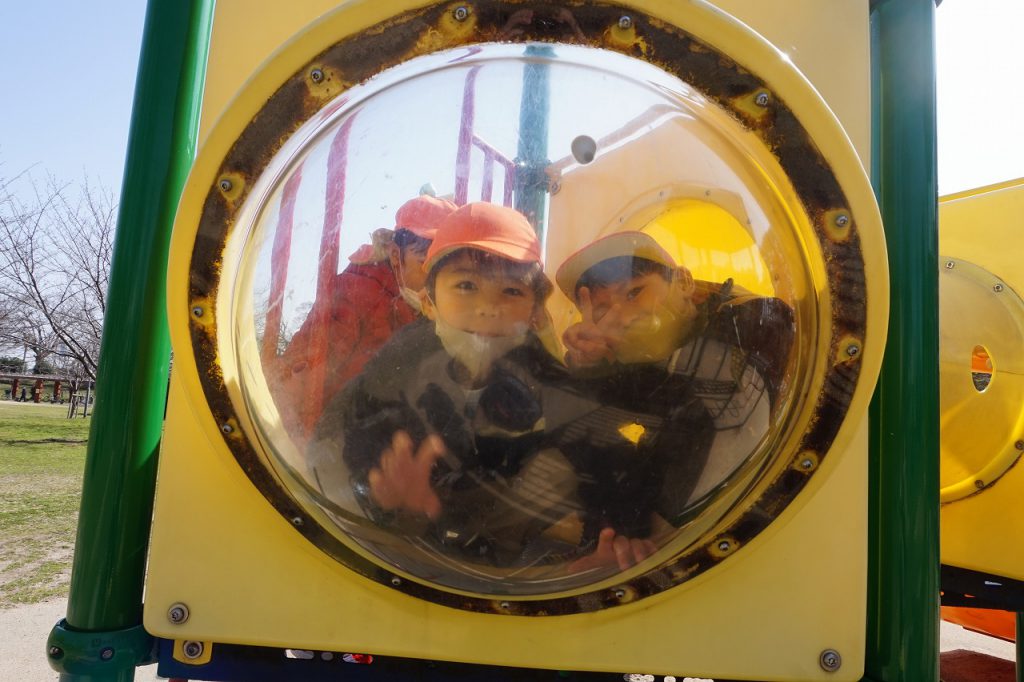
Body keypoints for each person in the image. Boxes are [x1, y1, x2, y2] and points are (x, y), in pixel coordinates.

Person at [312, 202, 580, 569]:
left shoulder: (535, 364)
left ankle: (494, 553)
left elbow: (586, 424)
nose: (488, 307)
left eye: (511, 291)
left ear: (534, 310)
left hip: (485, 508)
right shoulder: (403, 361)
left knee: (557, 467)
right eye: (467, 285)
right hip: (402, 529)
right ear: (428, 302)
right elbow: (347, 433)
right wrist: (380, 498)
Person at [552, 227, 794, 570]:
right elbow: (591, 434)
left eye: (635, 292)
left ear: (683, 282)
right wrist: (589, 367)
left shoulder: (755, 319)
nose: (623, 317)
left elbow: (721, 419)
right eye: (602, 309)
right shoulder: (629, 361)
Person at [270, 194, 457, 441]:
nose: (435, 279)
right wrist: (296, 449)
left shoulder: (430, 311)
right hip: (330, 441)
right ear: (395, 256)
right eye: (425, 263)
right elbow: (300, 378)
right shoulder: (357, 294)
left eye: (445, 268)